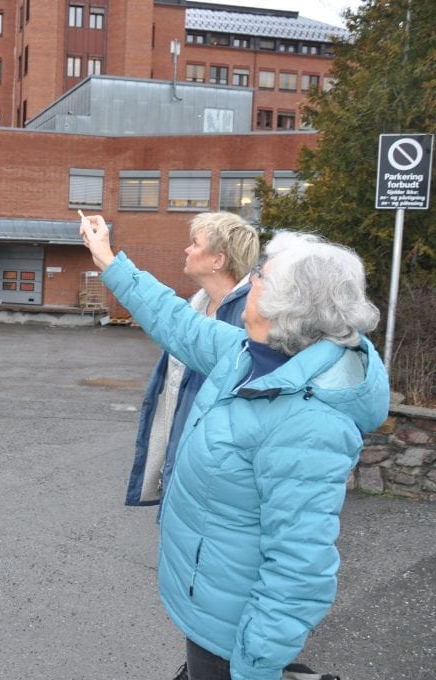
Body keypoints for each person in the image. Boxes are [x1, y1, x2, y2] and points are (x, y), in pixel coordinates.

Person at [79, 213, 388, 680]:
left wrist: (255, 667)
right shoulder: (248, 354)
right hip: (209, 601)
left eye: (261, 273)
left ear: (286, 302)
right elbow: (173, 319)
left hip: (235, 635)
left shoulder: (310, 420)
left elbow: (300, 568)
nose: (251, 278)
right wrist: (105, 257)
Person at [127, 213, 259, 508]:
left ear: (218, 260)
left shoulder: (249, 318)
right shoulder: (196, 307)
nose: (186, 250)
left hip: (211, 476)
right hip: (180, 458)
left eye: (195, 244)